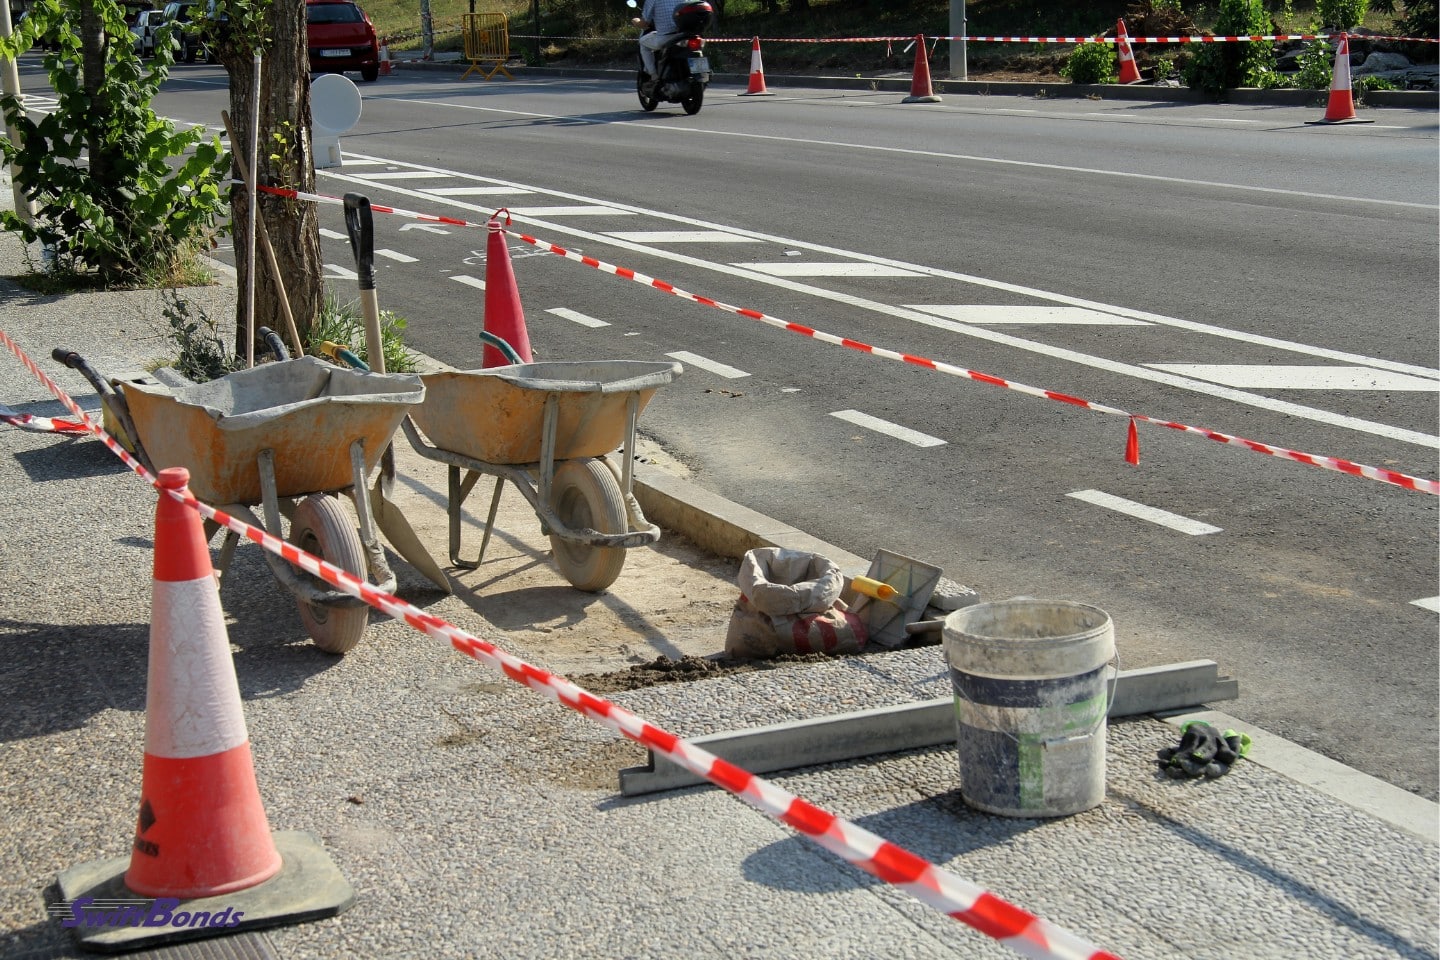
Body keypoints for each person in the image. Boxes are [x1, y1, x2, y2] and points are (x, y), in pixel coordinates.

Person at [633, 0, 687, 83]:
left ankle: (653, 75)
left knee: (642, 42)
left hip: (666, 37)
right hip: (685, 35)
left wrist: (635, 21)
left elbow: (645, 23)